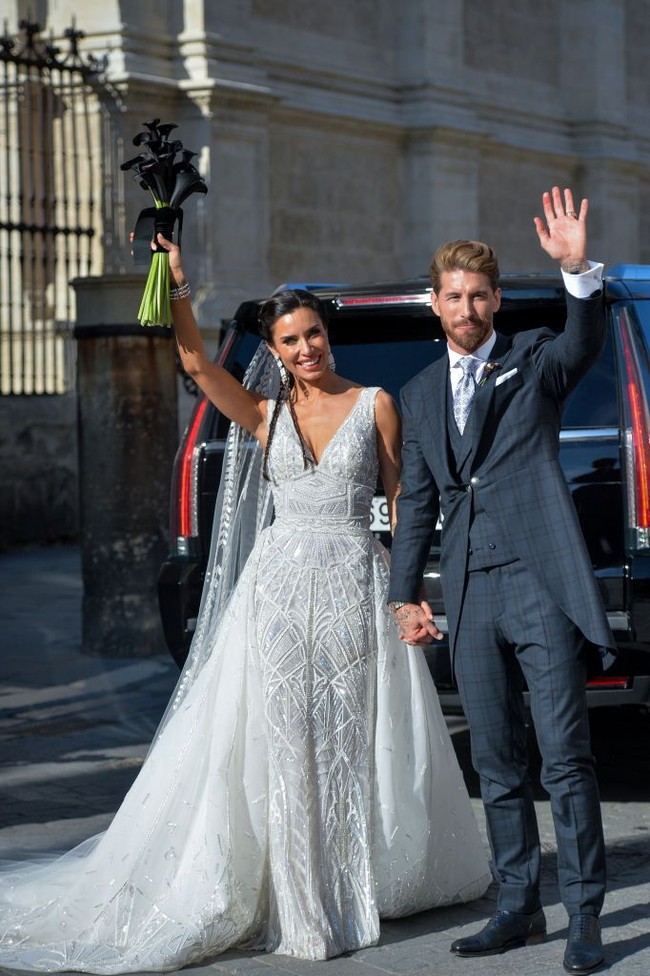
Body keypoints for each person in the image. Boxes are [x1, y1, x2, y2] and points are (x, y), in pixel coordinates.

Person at [0, 235, 492, 972]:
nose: (306, 349)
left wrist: (411, 598)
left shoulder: (376, 404)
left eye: (314, 334)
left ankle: (346, 886)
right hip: (279, 593)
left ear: (329, 333)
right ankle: (303, 912)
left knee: (345, 743)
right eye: (291, 340)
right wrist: (176, 289)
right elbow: (196, 363)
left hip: (355, 587)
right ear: (274, 346)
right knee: (288, 744)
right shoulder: (264, 416)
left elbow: (404, 502)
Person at [387, 186, 615, 976]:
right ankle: (517, 906)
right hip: (472, 593)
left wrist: (576, 269)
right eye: (454, 294)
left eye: (480, 294)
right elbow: (416, 500)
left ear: (495, 301)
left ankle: (584, 914)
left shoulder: (534, 361)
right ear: (435, 302)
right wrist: (406, 592)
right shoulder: (417, 395)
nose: (467, 305)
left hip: (540, 585)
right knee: (495, 761)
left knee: (564, 756)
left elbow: (585, 340)